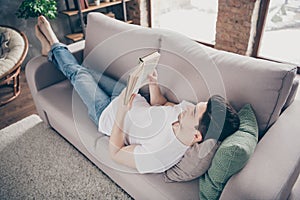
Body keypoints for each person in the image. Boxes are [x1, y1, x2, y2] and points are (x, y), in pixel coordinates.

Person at [35, 16, 240, 173]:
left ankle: (53, 43)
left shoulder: (161, 155)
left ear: (197, 136)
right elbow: (161, 103)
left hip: (107, 113)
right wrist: (153, 83)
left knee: (77, 73)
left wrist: (123, 111)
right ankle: (52, 53)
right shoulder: (186, 116)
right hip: (129, 95)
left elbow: (115, 153)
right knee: (86, 70)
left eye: (194, 111)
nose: (189, 107)